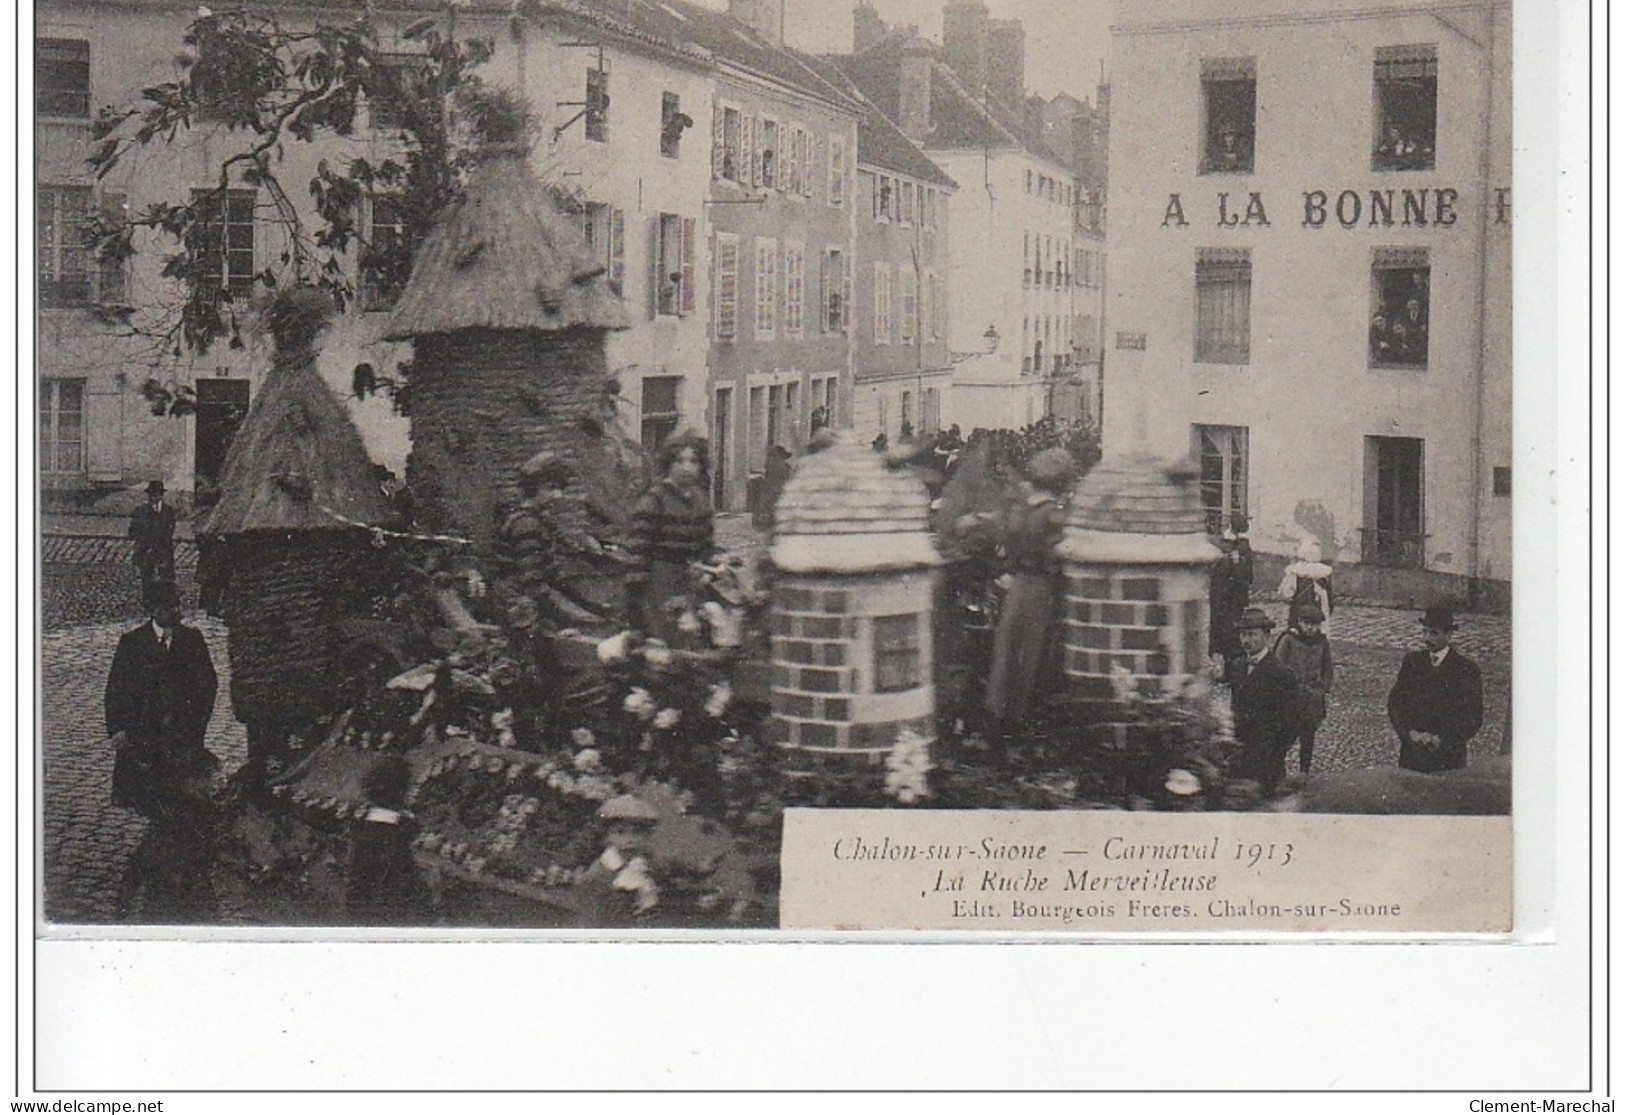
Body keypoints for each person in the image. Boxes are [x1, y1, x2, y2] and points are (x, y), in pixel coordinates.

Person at [105, 580, 220, 921]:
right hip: (145, 742)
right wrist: (118, 730)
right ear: (154, 610)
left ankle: (167, 860)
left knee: (175, 799)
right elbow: (116, 689)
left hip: (182, 740)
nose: (175, 612)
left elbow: (208, 684)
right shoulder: (133, 644)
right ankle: (156, 862)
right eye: (168, 607)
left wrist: (196, 725)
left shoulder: (191, 641)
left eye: (177, 605)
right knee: (154, 798)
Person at [983, 447, 1076, 761]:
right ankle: (1022, 724)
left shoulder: (1020, 510)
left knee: (1009, 650)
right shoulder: (1052, 515)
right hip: (1041, 588)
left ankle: (999, 719)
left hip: (1018, 586)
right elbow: (1058, 554)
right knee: (1035, 652)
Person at [629, 434, 715, 645]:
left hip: (691, 583)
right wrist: (637, 601)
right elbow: (637, 554)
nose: (687, 468)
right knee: (665, 641)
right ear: (668, 464)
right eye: (679, 461)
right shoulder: (654, 501)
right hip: (659, 583)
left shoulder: (701, 501)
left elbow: (707, 546)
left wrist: (709, 570)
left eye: (693, 461)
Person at [1387, 604, 1485, 773]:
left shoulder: (1466, 669)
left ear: (1448, 635)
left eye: (1434, 633)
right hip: (1412, 755)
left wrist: (1442, 739)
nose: (1427, 638)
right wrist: (1409, 734)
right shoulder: (1412, 662)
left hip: (1448, 758)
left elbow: (1473, 716)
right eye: (1424, 631)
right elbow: (1396, 703)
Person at [346, 754, 429, 925]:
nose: (415, 791)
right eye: (411, 787)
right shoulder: (389, 837)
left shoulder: (369, 826)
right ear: (400, 793)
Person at [1228, 607, 1302, 794]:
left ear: (1266, 636)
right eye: (1243, 635)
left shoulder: (1281, 673)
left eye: (1252, 635)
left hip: (1267, 763)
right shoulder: (1237, 666)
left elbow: (1292, 723)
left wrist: (1275, 754)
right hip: (1239, 759)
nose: (1246, 641)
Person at [574, 793, 662, 927]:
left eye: (637, 832)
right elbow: (591, 914)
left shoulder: (643, 865)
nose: (629, 838)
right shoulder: (600, 871)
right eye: (620, 832)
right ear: (607, 835)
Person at [1269, 601, 1334, 774]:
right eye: (1307, 624)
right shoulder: (1289, 639)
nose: (1311, 628)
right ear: (1299, 622)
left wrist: (1324, 687)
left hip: (1312, 698)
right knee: (1285, 736)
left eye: (1315, 625)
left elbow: (1327, 666)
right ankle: (1277, 770)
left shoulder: (1322, 642)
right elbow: (1277, 665)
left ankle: (1304, 771)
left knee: (1308, 737)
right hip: (1291, 697)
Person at [1207, 517, 1252, 673]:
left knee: (1234, 632)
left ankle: (1233, 667)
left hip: (1233, 598)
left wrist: (1238, 563)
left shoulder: (1243, 548)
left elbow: (1247, 576)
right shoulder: (1222, 547)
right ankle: (1227, 667)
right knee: (1224, 631)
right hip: (1223, 597)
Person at [129, 480, 177, 603]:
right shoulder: (140, 511)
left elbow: (170, 530)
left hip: (163, 550)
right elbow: (133, 531)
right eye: (152, 495)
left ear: (162, 496)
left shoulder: (168, 511)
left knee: (165, 577)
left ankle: (163, 602)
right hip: (146, 550)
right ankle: (148, 602)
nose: (154, 498)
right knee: (147, 577)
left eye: (157, 495)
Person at [1278, 537, 1334, 630]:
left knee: (1298, 630)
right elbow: (1330, 598)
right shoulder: (1325, 572)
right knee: (1316, 630)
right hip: (1318, 607)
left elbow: (1286, 594)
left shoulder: (1296, 571)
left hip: (1299, 608)